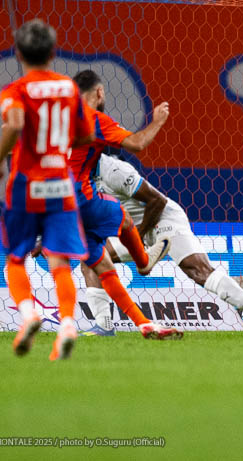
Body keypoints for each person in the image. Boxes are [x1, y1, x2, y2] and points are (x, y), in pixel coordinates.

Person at [82, 153, 243, 337]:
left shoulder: (114, 170)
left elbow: (157, 201)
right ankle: (104, 326)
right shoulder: (78, 175)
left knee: (199, 270)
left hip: (163, 219)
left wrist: (137, 238)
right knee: (92, 257)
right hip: (134, 229)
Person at [0, 19, 94, 360]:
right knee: (60, 261)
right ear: (53, 53)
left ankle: (28, 314)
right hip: (61, 185)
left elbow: (15, 123)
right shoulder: (68, 88)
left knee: (15, 258)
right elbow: (86, 135)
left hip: (27, 185)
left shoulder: (15, 90)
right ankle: (67, 325)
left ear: (18, 54)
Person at [68, 70, 182, 340]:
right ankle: (144, 262)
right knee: (123, 217)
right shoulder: (94, 120)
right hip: (82, 200)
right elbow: (137, 144)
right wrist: (157, 121)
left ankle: (139, 324)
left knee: (102, 266)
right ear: (99, 92)